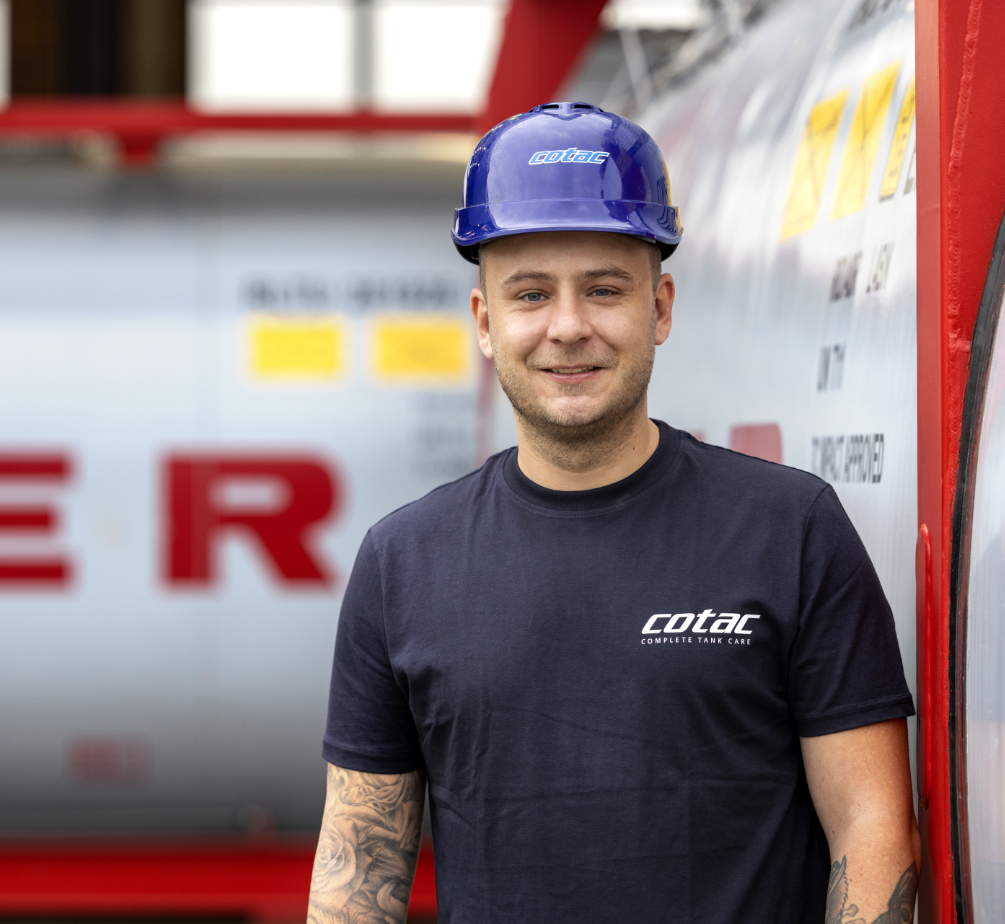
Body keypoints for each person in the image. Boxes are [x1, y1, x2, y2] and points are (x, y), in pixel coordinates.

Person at [305, 103, 919, 924]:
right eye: (530, 294)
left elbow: (871, 826)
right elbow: (357, 879)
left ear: (660, 309)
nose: (567, 327)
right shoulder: (402, 564)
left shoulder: (792, 529)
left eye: (604, 289)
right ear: (486, 324)